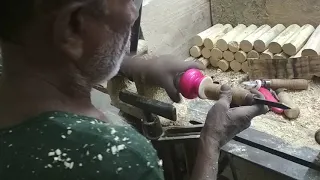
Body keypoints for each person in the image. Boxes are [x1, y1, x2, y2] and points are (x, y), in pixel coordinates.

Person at [0, 0, 268, 180]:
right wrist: (210, 143)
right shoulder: (115, 156)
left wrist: (131, 65)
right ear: (72, 27)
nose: (134, 12)